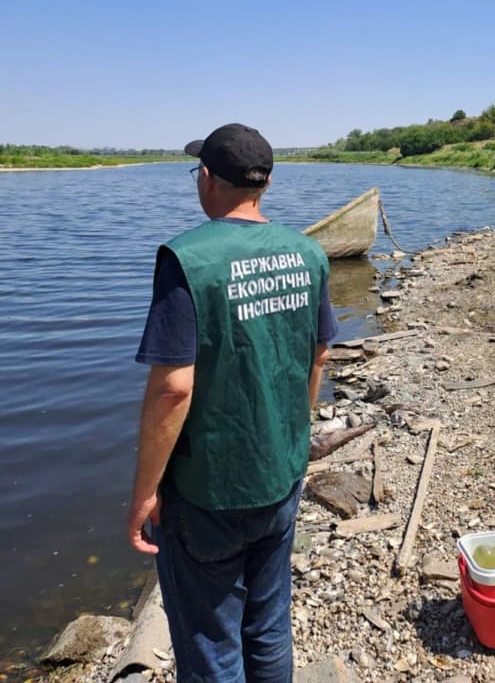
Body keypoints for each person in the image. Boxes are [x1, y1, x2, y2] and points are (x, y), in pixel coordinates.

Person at [127, 123, 337, 683]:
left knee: (210, 639)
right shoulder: (308, 253)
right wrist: (295, 437)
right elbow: (317, 357)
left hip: (208, 491)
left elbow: (173, 389)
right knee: (267, 624)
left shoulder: (186, 259)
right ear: (264, 183)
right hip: (282, 473)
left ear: (206, 179)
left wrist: (145, 492)